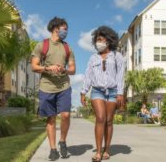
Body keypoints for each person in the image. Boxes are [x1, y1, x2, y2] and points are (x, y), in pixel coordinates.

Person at [31, 17, 76, 161]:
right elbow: (34, 66)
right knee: (51, 119)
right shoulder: (42, 45)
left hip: (64, 86)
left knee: (65, 115)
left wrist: (65, 70)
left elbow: (73, 69)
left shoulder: (67, 47)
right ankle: (53, 149)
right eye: (65, 28)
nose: (66, 31)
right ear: (56, 28)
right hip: (46, 87)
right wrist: (48, 68)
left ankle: (62, 141)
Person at [80, 26, 124, 162]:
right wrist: (83, 91)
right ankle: (98, 152)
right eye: (97, 40)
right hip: (97, 91)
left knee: (109, 121)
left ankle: (107, 150)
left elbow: (120, 75)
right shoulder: (93, 58)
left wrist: (120, 93)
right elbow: (88, 75)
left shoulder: (117, 56)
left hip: (112, 92)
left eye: (101, 39)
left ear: (108, 40)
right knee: (100, 119)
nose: (98, 42)